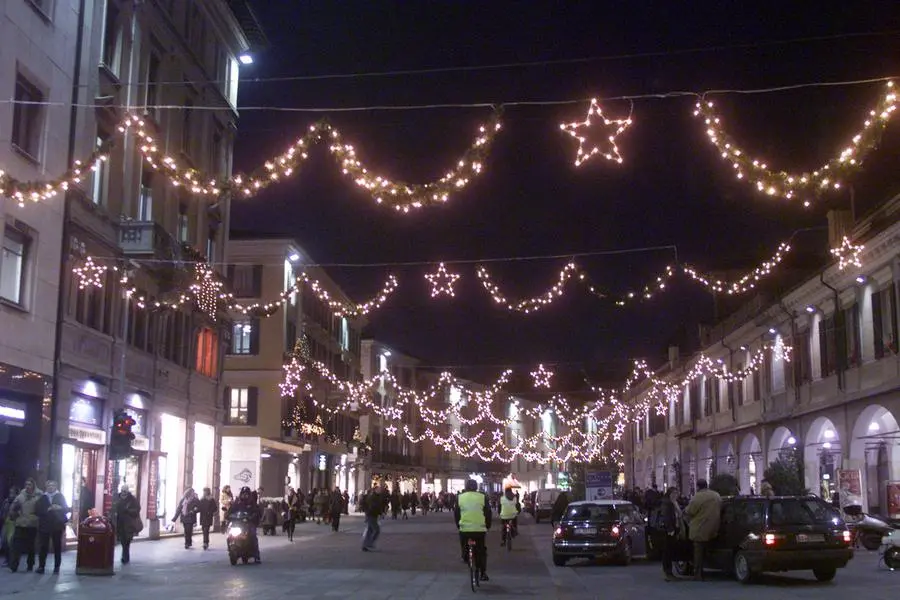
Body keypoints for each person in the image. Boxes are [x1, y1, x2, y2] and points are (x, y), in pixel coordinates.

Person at [683, 479, 722, 581]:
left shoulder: (697, 497)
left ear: (698, 487)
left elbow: (689, 511)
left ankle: (698, 574)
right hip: (714, 528)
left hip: (700, 528)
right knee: (708, 550)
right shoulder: (716, 495)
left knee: (698, 553)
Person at [454, 479, 492, 582]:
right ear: (476, 487)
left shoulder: (460, 497)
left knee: (464, 544)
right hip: (479, 529)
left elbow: (457, 513)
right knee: (481, 550)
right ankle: (483, 573)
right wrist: (487, 526)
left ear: (466, 487)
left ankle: (465, 556)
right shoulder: (483, 497)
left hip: (465, 528)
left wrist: (459, 525)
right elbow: (488, 513)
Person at [35, 480, 69, 574]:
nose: (50, 487)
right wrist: (47, 509)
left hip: (57, 525)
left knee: (57, 546)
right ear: (46, 487)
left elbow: (66, 508)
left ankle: (56, 567)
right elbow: (37, 510)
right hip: (45, 526)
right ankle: (41, 566)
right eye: (49, 486)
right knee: (43, 547)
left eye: (53, 485)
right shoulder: (43, 497)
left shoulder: (60, 496)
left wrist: (60, 508)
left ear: (56, 487)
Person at [8, 478, 41, 573]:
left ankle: (30, 564)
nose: (27, 486)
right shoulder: (20, 496)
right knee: (16, 545)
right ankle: (14, 565)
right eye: (26, 484)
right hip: (20, 523)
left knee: (31, 546)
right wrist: (13, 515)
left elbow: (42, 509)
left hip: (32, 524)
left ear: (33, 485)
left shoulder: (38, 496)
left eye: (29, 484)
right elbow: (13, 508)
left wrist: (36, 517)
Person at [227, 487, 261, 563]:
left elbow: (256, 511)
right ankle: (231, 548)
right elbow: (231, 510)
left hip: (248, 523)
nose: (244, 496)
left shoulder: (252, 503)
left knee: (252, 535)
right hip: (237, 523)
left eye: (246, 494)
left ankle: (256, 554)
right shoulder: (237, 502)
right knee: (230, 533)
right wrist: (228, 515)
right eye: (243, 494)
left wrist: (253, 516)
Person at [659, 487, 684, 581]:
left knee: (671, 550)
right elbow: (666, 517)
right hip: (669, 530)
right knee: (667, 551)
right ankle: (668, 572)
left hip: (675, 529)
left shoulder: (674, 503)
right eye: (674, 493)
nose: (676, 495)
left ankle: (670, 572)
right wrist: (670, 529)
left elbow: (679, 514)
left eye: (676, 493)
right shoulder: (667, 504)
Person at [112, 485, 141, 564]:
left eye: (125, 491)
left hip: (129, 524)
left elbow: (137, 509)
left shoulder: (132, 499)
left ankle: (125, 557)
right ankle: (125, 556)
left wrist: (128, 510)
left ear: (127, 491)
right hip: (120, 523)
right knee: (123, 541)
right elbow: (113, 508)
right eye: (122, 490)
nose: (123, 492)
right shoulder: (117, 498)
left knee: (127, 541)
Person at [361, 486, 385, 551]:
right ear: (375, 490)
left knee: (370, 530)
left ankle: (365, 545)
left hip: (372, 515)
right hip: (371, 515)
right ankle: (370, 543)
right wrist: (380, 513)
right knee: (376, 530)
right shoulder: (373, 497)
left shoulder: (376, 496)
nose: (380, 490)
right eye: (378, 489)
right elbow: (374, 506)